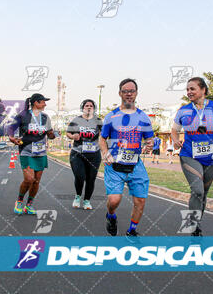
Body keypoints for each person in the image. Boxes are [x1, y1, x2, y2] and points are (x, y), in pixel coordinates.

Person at [171, 77, 213, 236]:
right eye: (187, 89)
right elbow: (174, 130)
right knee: (197, 190)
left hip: (211, 158)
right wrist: (176, 140)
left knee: (203, 193)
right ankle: (190, 225)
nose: (189, 92)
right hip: (189, 155)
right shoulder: (183, 110)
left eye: (192, 89)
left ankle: (195, 225)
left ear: (203, 90)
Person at [99, 78, 154, 239]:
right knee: (114, 200)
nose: (129, 94)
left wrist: (149, 145)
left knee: (140, 201)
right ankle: (111, 216)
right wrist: (105, 152)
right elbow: (102, 138)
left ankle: (132, 230)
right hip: (114, 166)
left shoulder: (143, 117)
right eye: (125, 91)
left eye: (132, 91)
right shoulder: (112, 116)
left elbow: (149, 138)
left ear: (136, 93)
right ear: (119, 93)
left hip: (135, 165)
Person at [8, 93, 57, 215]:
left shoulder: (45, 117)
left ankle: (29, 205)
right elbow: (11, 128)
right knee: (29, 179)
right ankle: (19, 201)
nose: (45, 104)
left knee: (36, 181)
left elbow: (50, 134)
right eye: (43, 102)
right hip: (26, 150)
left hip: (40, 152)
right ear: (36, 103)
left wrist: (51, 135)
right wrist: (12, 138)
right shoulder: (23, 115)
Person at [66, 99, 103, 210]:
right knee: (80, 176)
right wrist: (73, 136)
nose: (89, 107)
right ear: (83, 107)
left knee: (91, 179)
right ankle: (77, 196)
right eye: (86, 105)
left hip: (94, 154)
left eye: (91, 106)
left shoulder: (98, 121)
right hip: (78, 153)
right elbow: (68, 133)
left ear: (94, 108)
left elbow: (104, 134)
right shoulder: (76, 120)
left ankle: (87, 201)